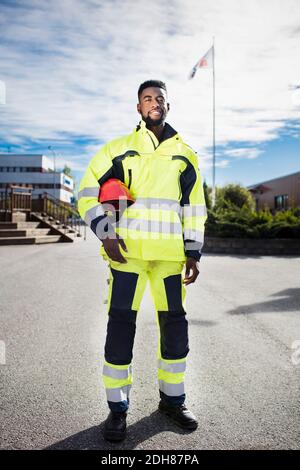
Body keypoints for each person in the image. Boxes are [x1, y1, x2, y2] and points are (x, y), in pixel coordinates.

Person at [78, 80, 207, 442]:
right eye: (147, 98)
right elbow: (86, 193)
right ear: (138, 107)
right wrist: (106, 232)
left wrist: (193, 252)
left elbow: (194, 208)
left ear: (168, 105)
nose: (154, 103)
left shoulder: (186, 154)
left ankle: (173, 401)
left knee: (175, 329)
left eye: (160, 98)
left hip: (169, 259)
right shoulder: (117, 150)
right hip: (128, 256)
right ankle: (117, 410)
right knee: (121, 328)